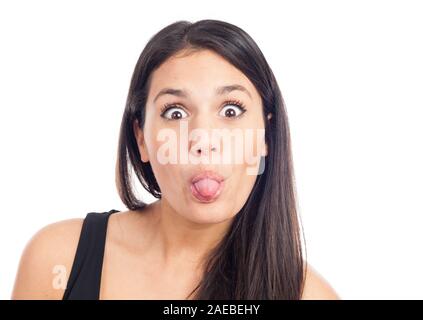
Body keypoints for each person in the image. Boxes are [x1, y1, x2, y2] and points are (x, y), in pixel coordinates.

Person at [12, 19, 340, 300]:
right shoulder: (57, 260)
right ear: (141, 138)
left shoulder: (308, 294)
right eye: (176, 112)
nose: (203, 139)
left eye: (230, 110)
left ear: (266, 136)